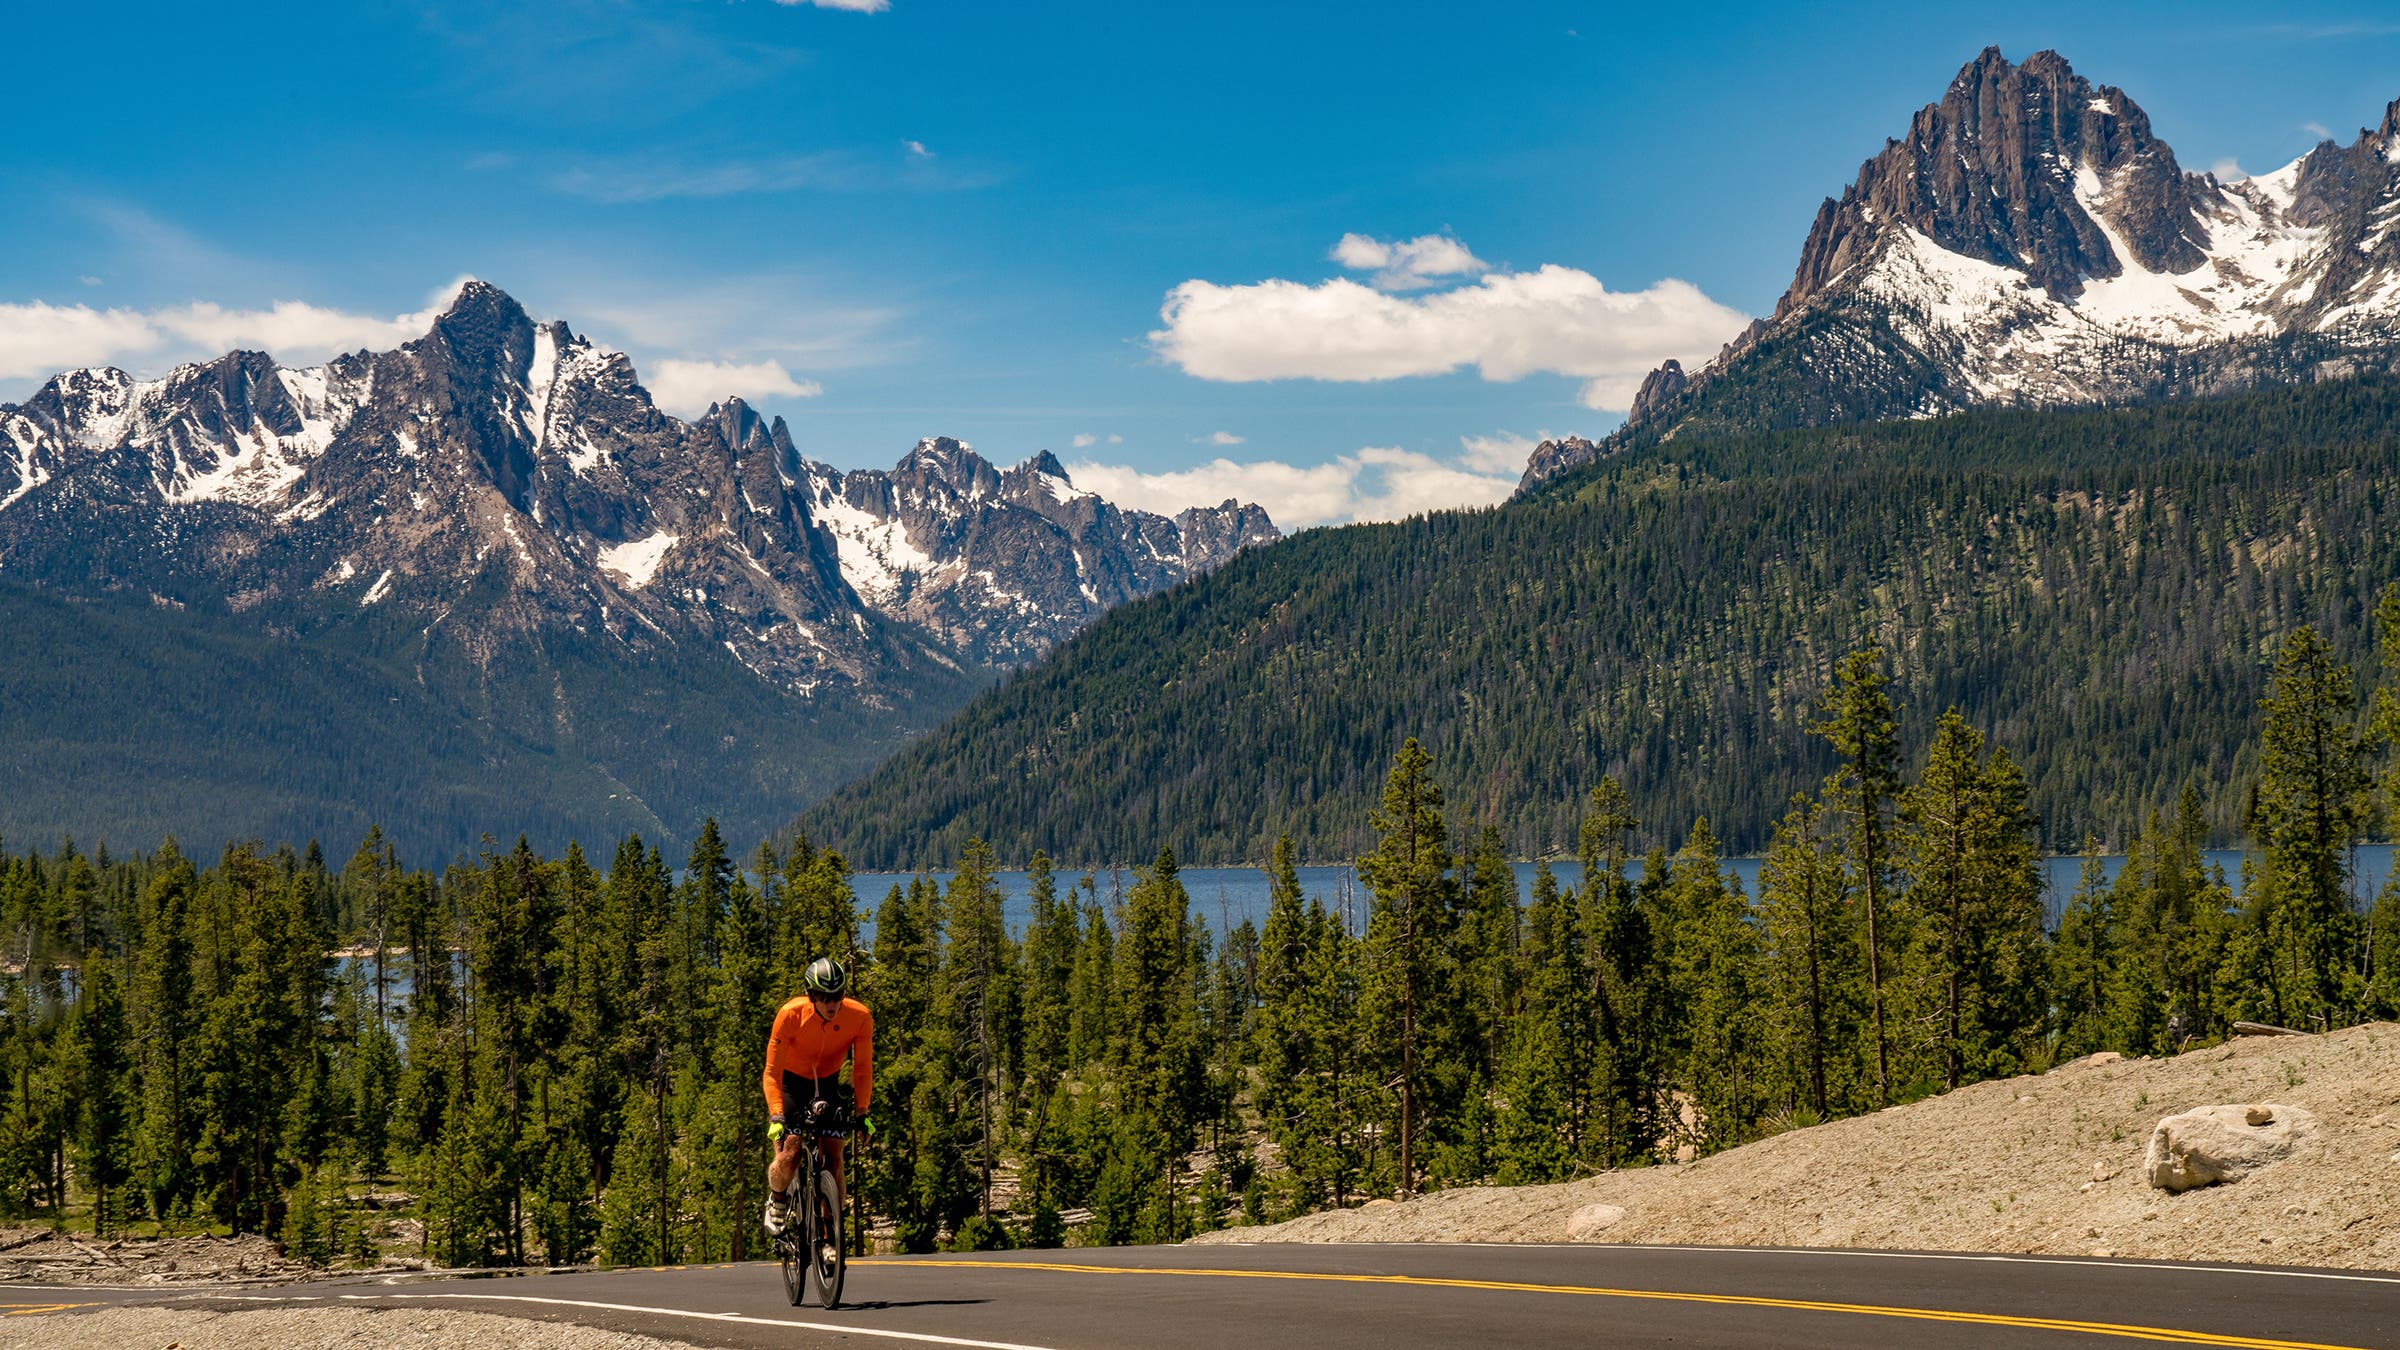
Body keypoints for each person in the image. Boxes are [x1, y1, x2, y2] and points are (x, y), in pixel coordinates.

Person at [761, 956, 874, 1240]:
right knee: (790, 1153)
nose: (832, 1003)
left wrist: (862, 1113)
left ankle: (829, 1234)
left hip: (826, 1084)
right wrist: (777, 1115)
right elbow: (772, 1072)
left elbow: (862, 1069)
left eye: (837, 995)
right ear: (811, 995)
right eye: (824, 997)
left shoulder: (859, 1017)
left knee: (834, 1158)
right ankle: (777, 1197)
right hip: (790, 1085)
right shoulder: (790, 1015)